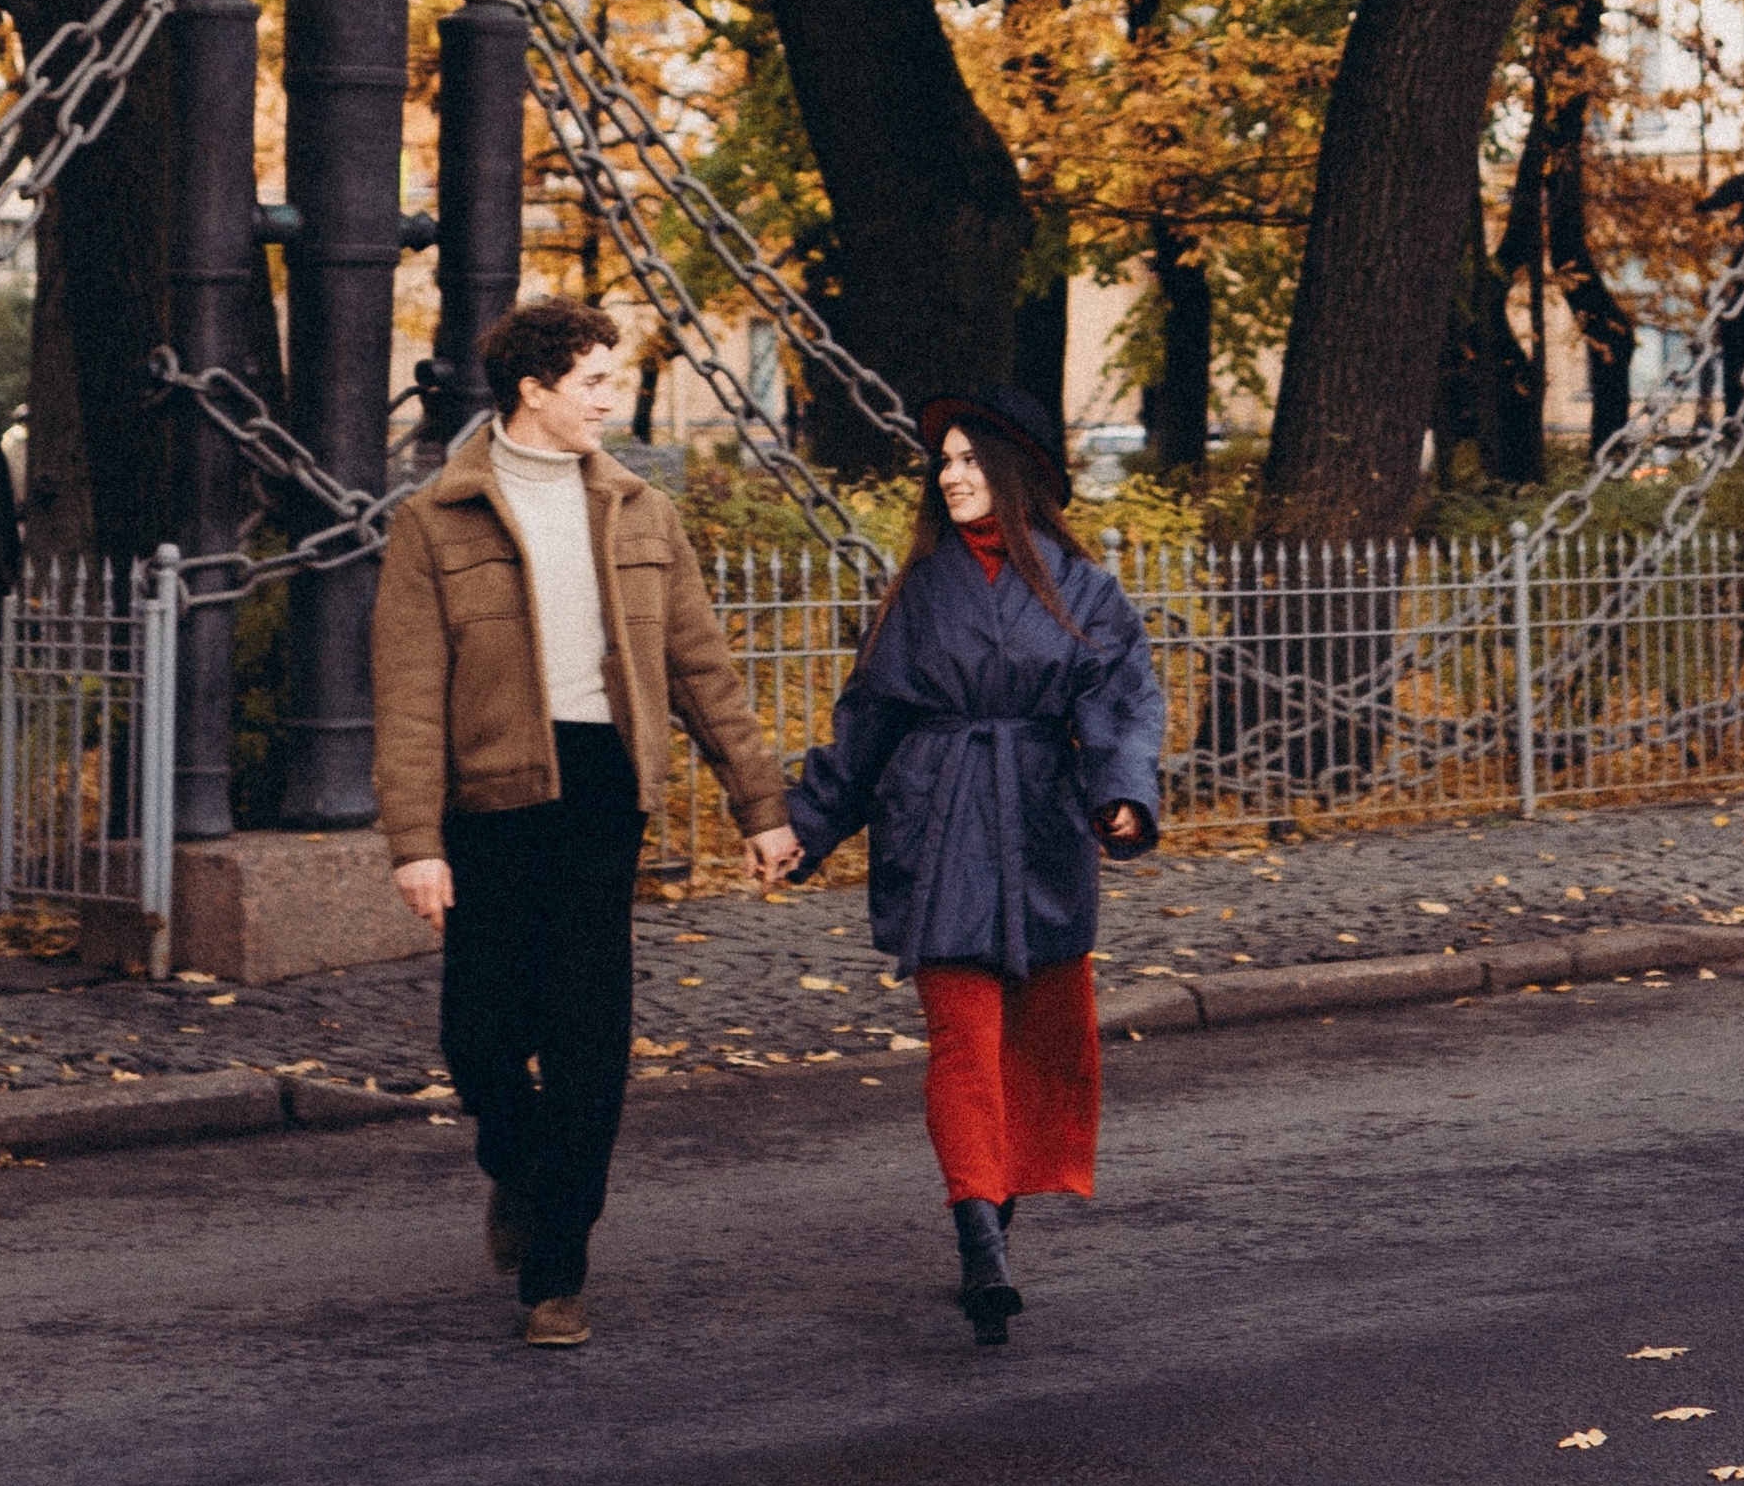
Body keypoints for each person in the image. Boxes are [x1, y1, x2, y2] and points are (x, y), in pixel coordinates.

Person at [374, 298, 800, 1347]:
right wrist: (416, 844)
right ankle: (515, 1167)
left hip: (605, 791)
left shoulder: (641, 513)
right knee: (477, 1035)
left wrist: (762, 806)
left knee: (585, 1034)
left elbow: (703, 671)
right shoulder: (434, 522)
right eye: (595, 383)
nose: (612, 400)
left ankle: (557, 1265)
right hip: (489, 802)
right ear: (535, 389)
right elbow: (410, 694)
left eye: (613, 381)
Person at [785, 381, 1164, 1346]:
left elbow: (1120, 704)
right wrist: (804, 824)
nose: (949, 476)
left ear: (1017, 474)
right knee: (962, 1035)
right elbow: (866, 724)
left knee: (1035, 1038)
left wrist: (1121, 794)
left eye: (967, 460)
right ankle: (977, 1242)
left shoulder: (1087, 591)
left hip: (1040, 819)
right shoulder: (920, 589)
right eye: (942, 462)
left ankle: (998, 1206)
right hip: (938, 814)